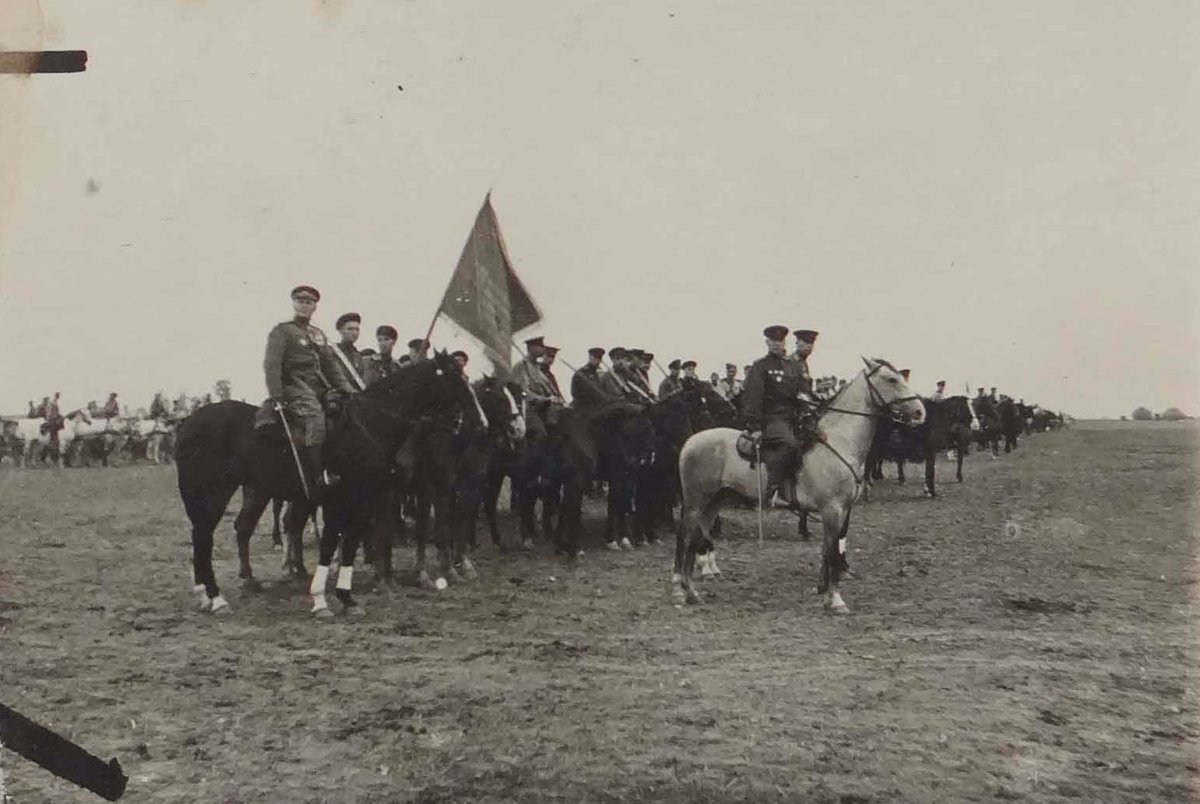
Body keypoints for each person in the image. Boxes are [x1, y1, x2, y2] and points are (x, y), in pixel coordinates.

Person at [254, 285, 356, 493]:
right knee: (315, 418)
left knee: (347, 414)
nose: (304, 305)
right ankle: (316, 473)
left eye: (309, 302)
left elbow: (331, 365)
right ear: (293, 303)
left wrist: (348, 389)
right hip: (294, 387)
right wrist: (277, 395)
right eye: (300, 301)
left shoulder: (317, 334)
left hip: (319, 387)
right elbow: (272, 364)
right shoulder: (283, 331)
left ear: (315, 307)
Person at [742, 326, 808, 508]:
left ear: (784, 342)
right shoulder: (760, 367)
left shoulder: (792, 367)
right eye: (773, 341)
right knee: (789, 444)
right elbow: (752, 399)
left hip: (791, 419)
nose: (777, 344)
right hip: (771, 419)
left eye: (780, 341)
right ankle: (772, 490)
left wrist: (808, 409)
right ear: (767, 343)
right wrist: (754, 427)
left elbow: (802, 394)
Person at [332, 312, 366, 390]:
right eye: (350, 329)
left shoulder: (358, 355)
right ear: (340, 331)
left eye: (357, 329)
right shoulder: (333, 352)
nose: (354, 333)